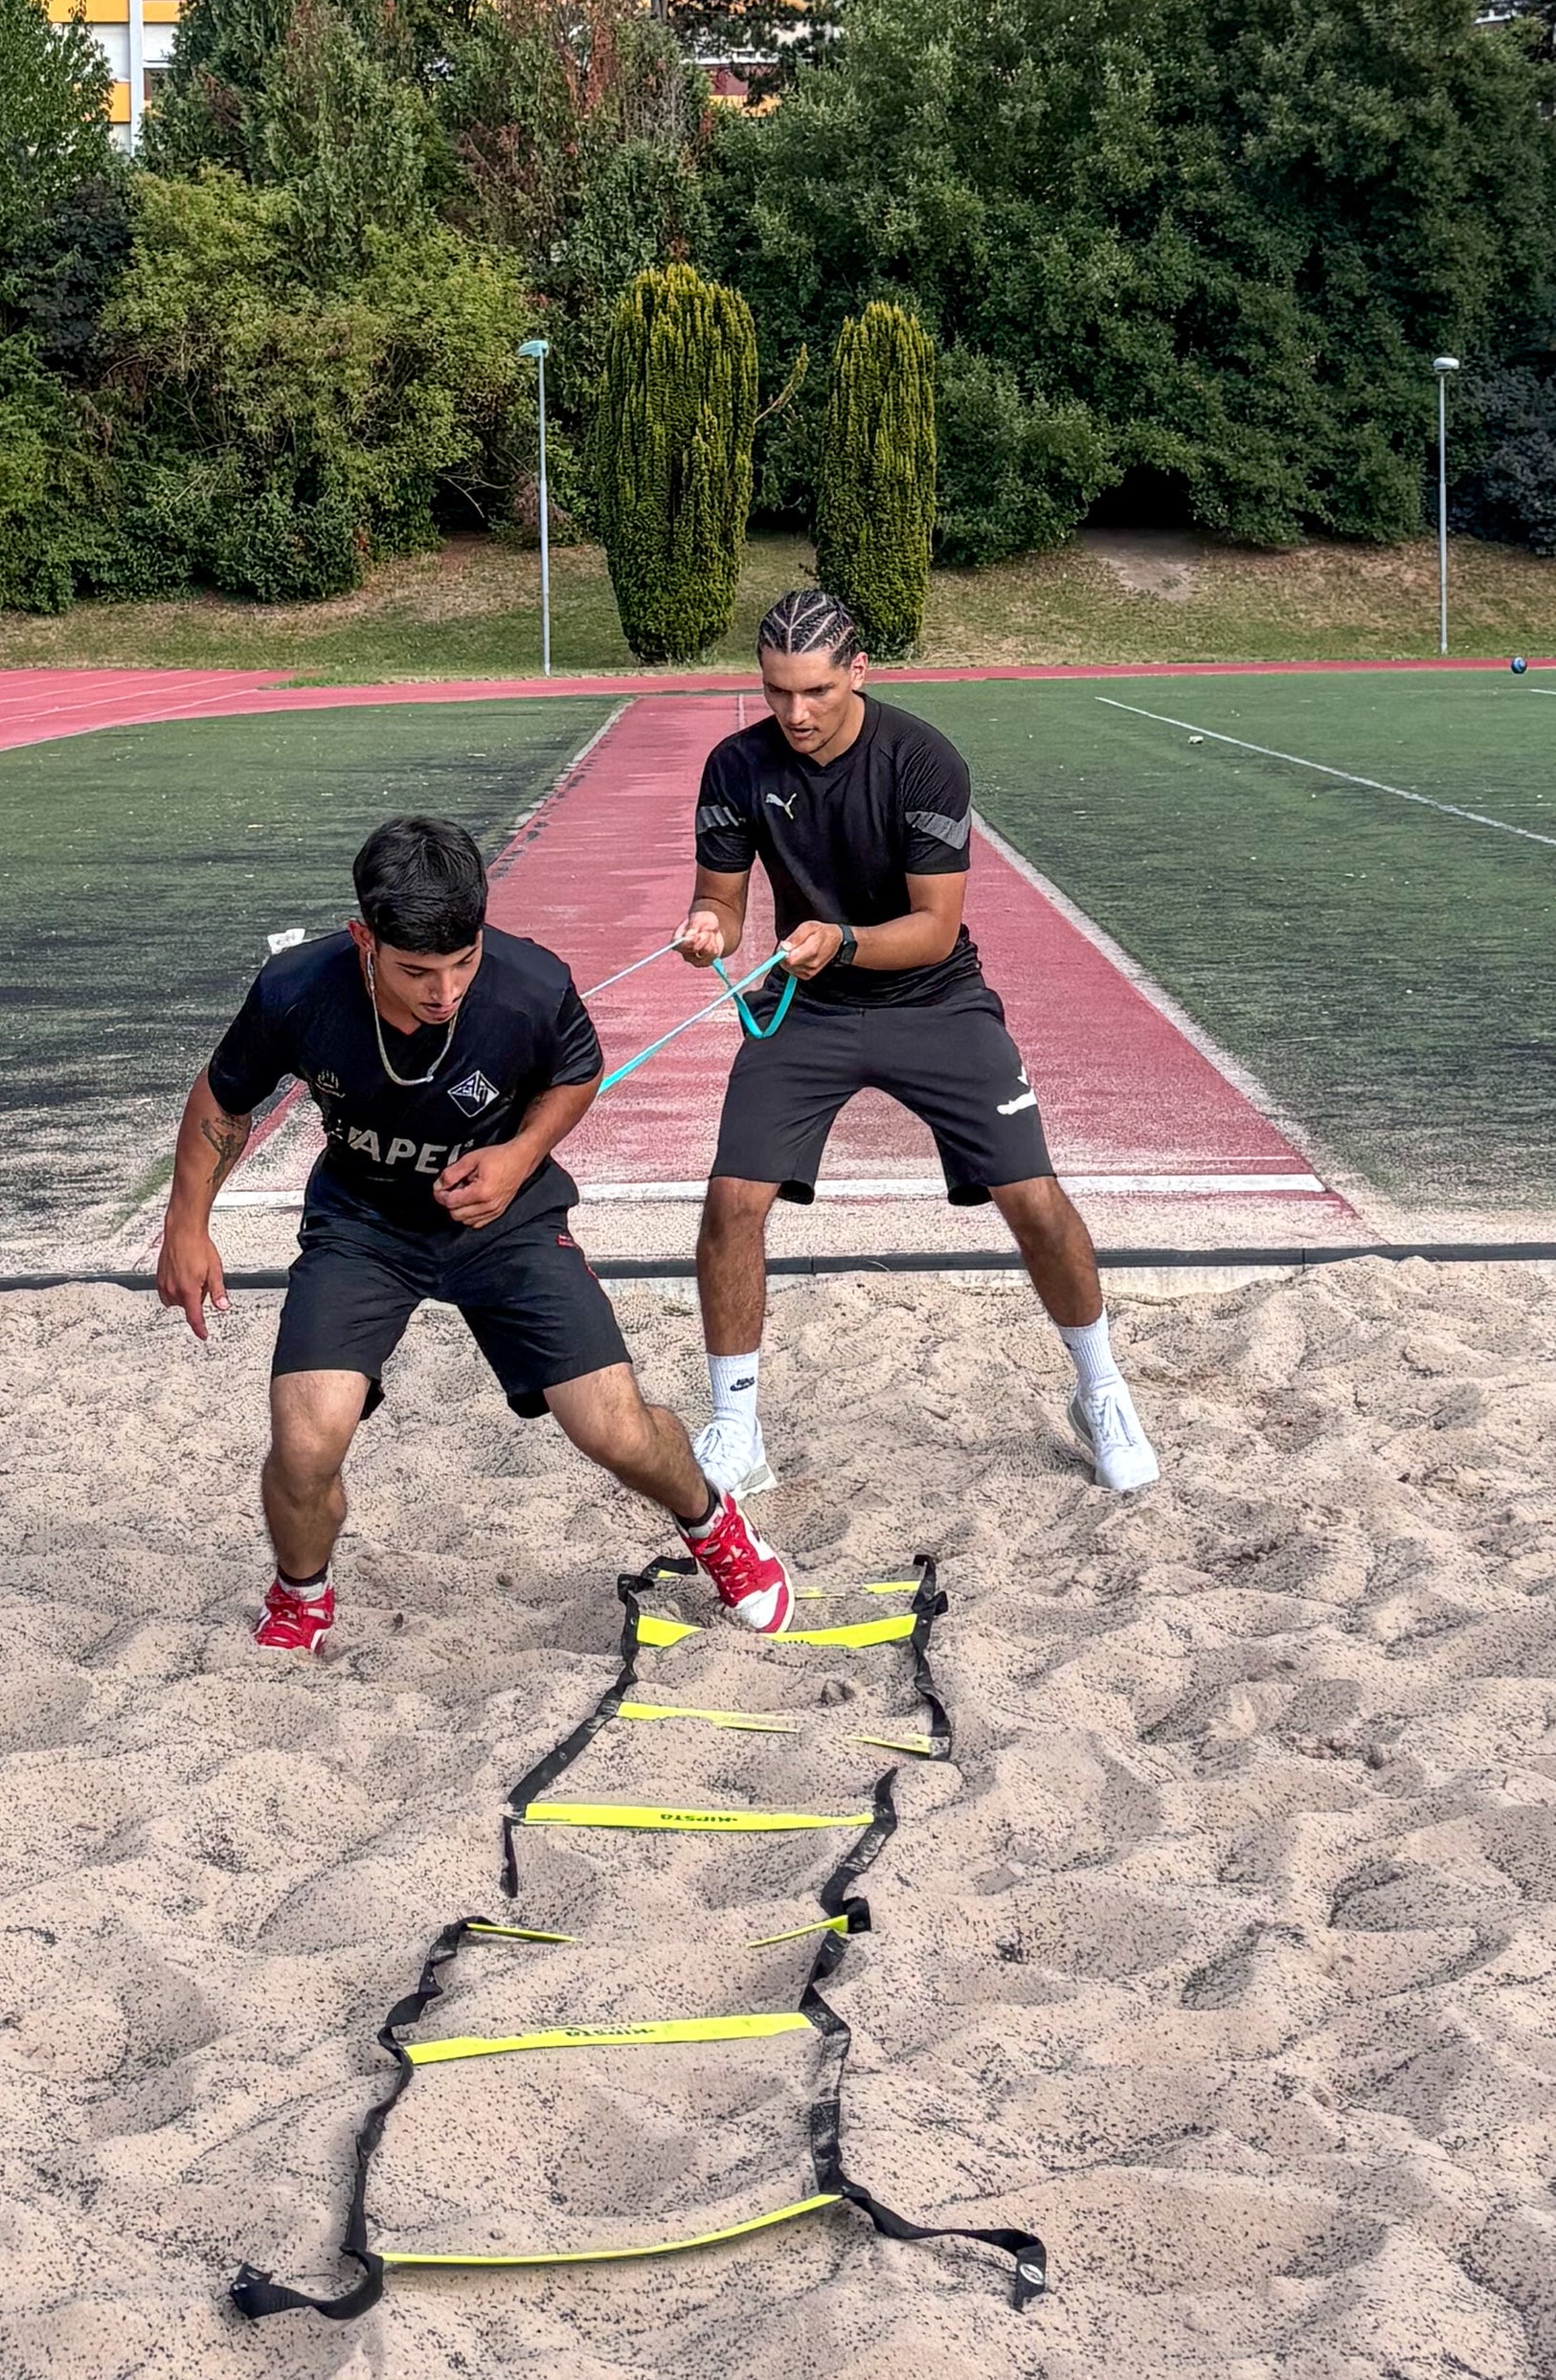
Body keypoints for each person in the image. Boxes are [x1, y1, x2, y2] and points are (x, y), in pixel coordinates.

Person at [158, 815, 795, 1650]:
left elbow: (578, 1071)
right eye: (417, 971)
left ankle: (713, 1522)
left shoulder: (531, 984)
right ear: (363, 939)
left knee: (613, 1429)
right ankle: (301, 1592)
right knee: (306, 1439)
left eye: (463, 962)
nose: (445, 991)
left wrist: (519, 1155)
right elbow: (223, 1096)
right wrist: (186, 1222)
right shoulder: (297, 988)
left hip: (509, 1222)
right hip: (363, 1224)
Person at [676, 589, 1159, 1499]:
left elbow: (935, 929)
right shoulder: (735, 765)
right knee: (732, 1202)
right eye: (776, 690)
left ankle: (1100, 1390)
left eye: (816, 690)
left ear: (858, 671)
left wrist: (841, 941)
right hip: (808, 1006)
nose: (795, 712)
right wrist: (709, 927)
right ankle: (737, 1429)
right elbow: (724, 900)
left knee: (1033, 1197)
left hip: (934, 999)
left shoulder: (923, 760)